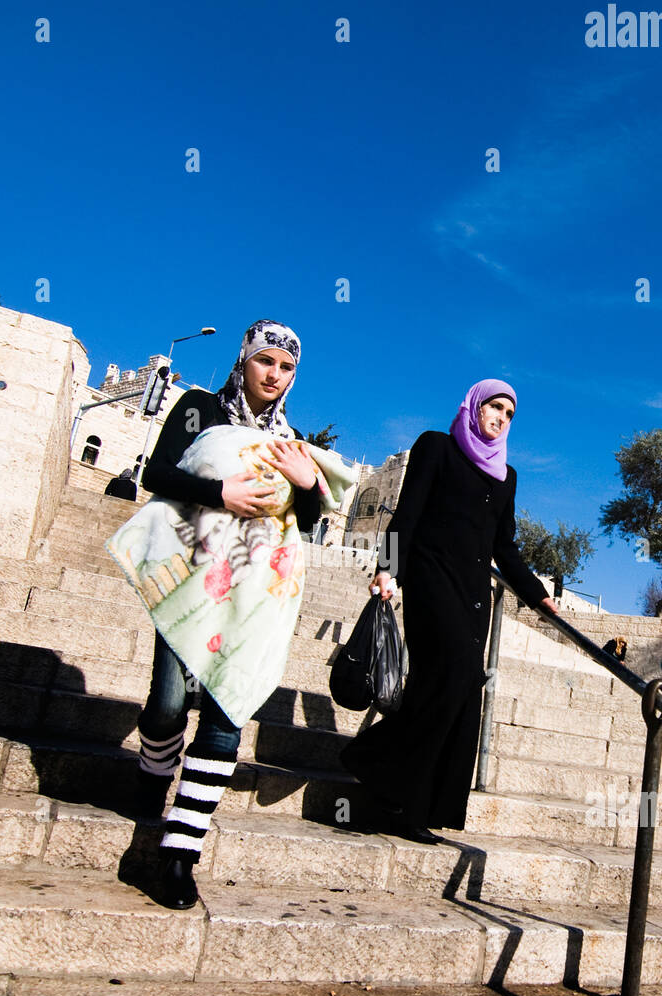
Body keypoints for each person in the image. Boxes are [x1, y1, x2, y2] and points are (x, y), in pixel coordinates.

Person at [111, 319, 325, 908]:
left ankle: (180, 855)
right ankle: (153, 776)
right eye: (265, 363)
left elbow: (302, 518)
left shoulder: (292, 437)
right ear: (245, 360)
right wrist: (221, 494)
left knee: (228, 711)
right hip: (190, 574)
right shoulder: (200, 407)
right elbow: (155, 474)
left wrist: (307, 485)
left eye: (286, 369)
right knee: (166, 705)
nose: (274, 377)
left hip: (252, 589)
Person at [339, 380, 560, 842]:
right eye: (494, 407)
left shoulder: (506, 477)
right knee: (451, 677)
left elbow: (505, 547)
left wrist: (537, 594)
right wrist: (387, 569)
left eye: (509, 413)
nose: (500, 417)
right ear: (474, 405)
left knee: (457, 691)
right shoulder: (436, 447)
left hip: (475, 596)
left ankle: (410, 806)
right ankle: (372, 762)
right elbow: (407, 514)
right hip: (429, 581)